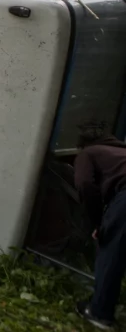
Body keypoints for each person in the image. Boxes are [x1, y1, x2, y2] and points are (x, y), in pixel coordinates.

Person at [74, 122, 126, 329]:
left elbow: (85, 184)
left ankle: (100, 313)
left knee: (111, 252)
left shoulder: (88, 153)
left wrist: (97, 223)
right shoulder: (120, 152)